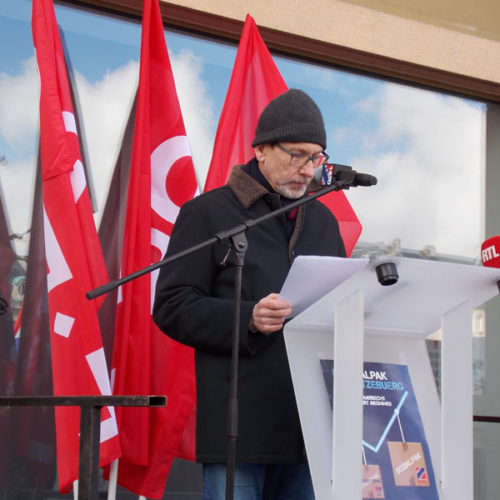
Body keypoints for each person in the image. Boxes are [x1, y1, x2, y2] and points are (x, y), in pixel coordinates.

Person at [153, 89, 347, 500]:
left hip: (310, 426)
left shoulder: (324, 221)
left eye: (316, 158)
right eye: (296, 155)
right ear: (260, 150)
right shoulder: (208, 213)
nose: (307, 170)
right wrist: (248, 318)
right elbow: (171, 305)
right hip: (240, 430)